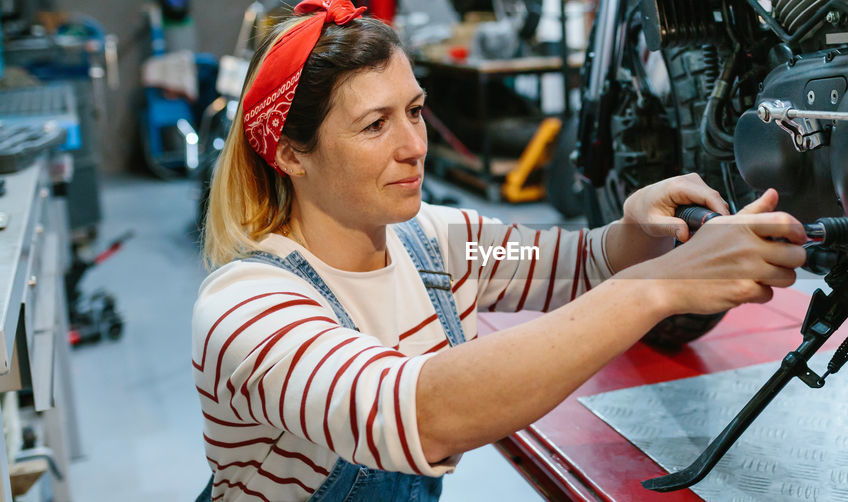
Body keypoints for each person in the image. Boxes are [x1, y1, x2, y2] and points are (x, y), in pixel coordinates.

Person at [192, 1, 807, 500]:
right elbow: (422, 410)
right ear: (289, 153)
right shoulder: (247, 308)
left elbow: (573, 264)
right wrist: (661, 285)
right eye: (375, 125)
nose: (413, 146)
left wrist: (639, 231)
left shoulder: (440, 246)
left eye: (414, 112)